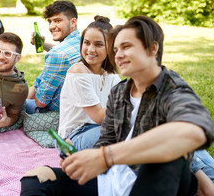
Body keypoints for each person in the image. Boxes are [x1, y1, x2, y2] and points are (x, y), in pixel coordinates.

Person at [20, 16, 214, 196]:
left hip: (145, 182)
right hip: (110, 182)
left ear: (152, 49)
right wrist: (83, 157)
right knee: (36, 178)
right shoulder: (120, 91)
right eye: (116, 49)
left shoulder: (172, 89)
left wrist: (105, 157)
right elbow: (106, 137)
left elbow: (196, 131)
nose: (119, 55)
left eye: (126, 47)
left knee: (173, 158)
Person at [58, 16, 121, 151]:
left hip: (103, 128)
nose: (90, 49)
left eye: (98, 44)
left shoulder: (112, 75)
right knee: (117, 134)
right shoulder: (78, 71)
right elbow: (99, 116)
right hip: (75, 135)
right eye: (86, 43)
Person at [26, 0, 81, 114]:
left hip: (57, 112)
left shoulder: (57, 54)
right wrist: (43, 45)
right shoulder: (83, 42)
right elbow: (61, 51)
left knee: (13, 105)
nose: (51, 26)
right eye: (50, 21)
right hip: (78, 107)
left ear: (73, 22)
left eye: (57, 21)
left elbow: (41, 103)